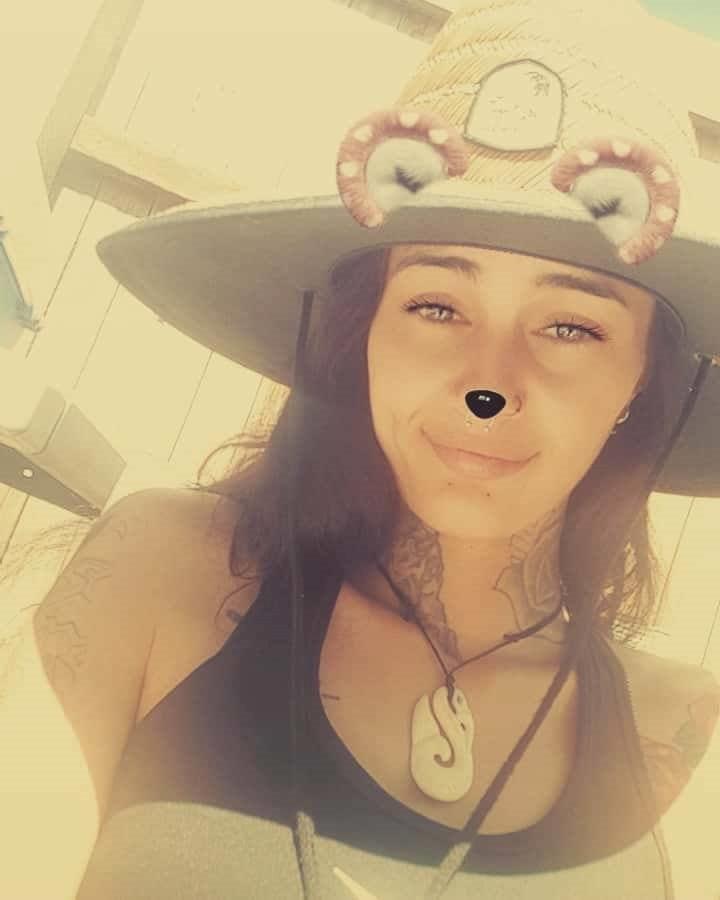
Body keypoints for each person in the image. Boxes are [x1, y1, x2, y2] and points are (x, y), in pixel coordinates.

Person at [3, 0, 720, 897]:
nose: (488, 386)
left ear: (641, 382)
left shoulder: (686, 737)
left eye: (570, 326)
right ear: (364, 334)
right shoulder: (159, 573)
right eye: (436, 307)